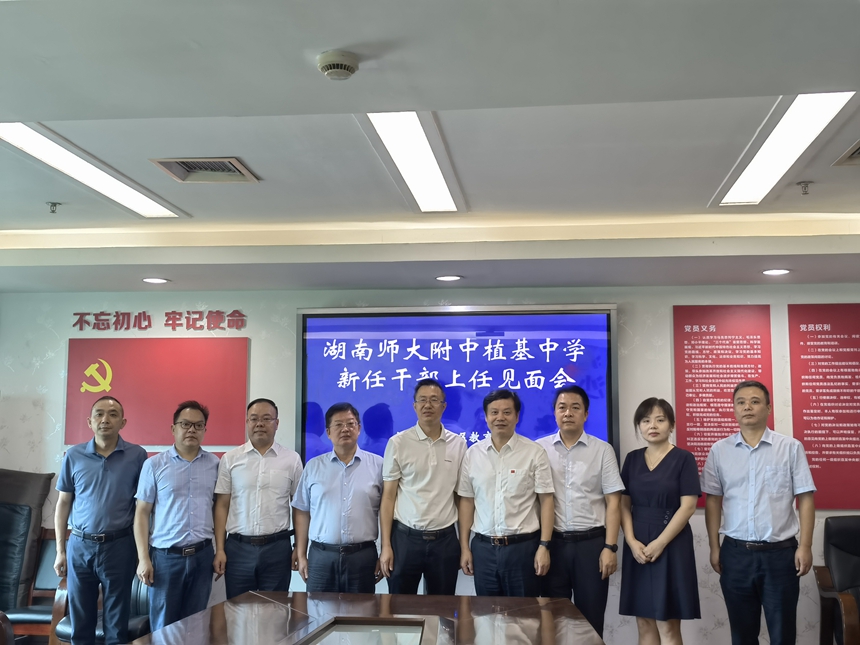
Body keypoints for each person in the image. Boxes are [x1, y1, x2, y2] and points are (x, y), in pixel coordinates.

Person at [702, 380, 816, 645]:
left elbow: (806, 498)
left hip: (780, 555)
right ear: (734, 408)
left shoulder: (790, 447)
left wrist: (806, 546)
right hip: (735, 555)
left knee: (782, 634)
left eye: (755, 401)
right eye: (741, 402)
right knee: (742, 635)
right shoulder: (719, 450)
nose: (747, 407)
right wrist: (714, 547)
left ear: (768, 407)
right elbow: (713, 501)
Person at [53, 396, 147, 645]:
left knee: (116, 626)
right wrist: (60, 551)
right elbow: (63, 503)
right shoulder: (74, 455)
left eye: (113, 414)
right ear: (90, 421)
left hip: (120, 546)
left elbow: (143, 507)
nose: (106, 419)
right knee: (80, 624)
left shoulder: (137, 456)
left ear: (123, 422)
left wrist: (143, 553)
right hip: (80, 546)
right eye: (99, 414)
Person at [536, 385, 623, 638]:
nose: (568, 413)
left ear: (586, 414)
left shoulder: (602, 450)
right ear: (554, 413)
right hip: (553, 545)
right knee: (553, 622)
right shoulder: (539, 449)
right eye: (562, 407)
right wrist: (542, 545)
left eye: (575, 408)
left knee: (591, 622)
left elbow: (614, 502)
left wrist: (610, 548)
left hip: (591, 546)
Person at [619, 398, 700, 644]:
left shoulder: (684, 458)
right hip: (637, 545)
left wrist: (660, 543)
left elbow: (688, 507)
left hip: (671, 544)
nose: (652, 425)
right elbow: (623, 504)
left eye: (660, 420)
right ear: (639, 426)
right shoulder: (632, 459)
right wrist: (631, 541)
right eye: (645, 421)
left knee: (668, 625)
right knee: (644, 623)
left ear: (671, 425)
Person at [458, 389, 554, 597]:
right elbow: (466, 502)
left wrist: (544, 546)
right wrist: (465, 547)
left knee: (524, 614)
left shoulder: (534, 452)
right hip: (483, 549)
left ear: (517, 416)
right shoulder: (473, 454)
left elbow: (546, 501)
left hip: (523, 549)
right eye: (494, 412)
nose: (500, 417)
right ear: (486, 417)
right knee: (486, 612)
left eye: (507, 412)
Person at [133, 400, 220, 630]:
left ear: (204, 430)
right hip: (165, 559)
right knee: (163, 628)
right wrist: (143, 558)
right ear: (173, 428)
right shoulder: (154, 465)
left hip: (202, 556)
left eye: (198, 425)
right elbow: (141, 513)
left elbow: (219, 508)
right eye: (185, 424)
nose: (192, 430)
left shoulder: (215, 464)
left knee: (196, 625)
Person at [379, 378, 467, 595]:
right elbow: (388, 497)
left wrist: (464, 545)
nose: (428, 405)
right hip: (405, 539)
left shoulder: (458, 444)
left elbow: (461, 497)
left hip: (445, 540)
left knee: (442, 608)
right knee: (399, 606)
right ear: (414, 406)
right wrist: (386, 545)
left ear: (444, 406)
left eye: (434, 400)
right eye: (422, 400)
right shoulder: (398, 443)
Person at [213, 398, 303, 599]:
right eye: (254, 419)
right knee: (238, 610)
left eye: (266, 419)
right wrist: (220, 549)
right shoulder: (230, 459)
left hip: (277, 549)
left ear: (277, 423)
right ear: (247, 422)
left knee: (275, 609)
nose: (260, 424)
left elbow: (298, 508)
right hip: (238, 549)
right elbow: (222, 506)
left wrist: (299, 547)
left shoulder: (292, 459)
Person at [293, 402, 384, 592]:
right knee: (318, 609)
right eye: (338, 425)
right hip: (321, 556)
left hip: (362, 556)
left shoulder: (378, 466)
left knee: (362, 609)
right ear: (328, 432)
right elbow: (302, 511)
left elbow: (387, 512)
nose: (345, 429)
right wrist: (301, 554)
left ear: (359, 428)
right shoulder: (313, 466)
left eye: (350, 424)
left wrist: (385, 550)